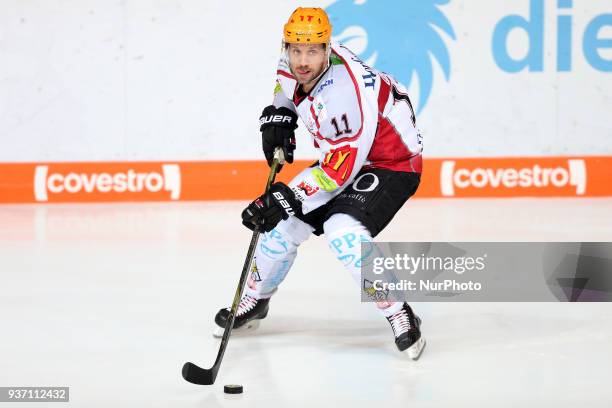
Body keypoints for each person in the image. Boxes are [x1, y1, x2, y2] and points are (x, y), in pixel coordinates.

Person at [215, 7, 425, 359]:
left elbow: (338, 172)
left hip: (390, 163)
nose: (302, 60)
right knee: (280, 230)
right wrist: (280, 113)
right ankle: (255, 300)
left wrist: (286, 198)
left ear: (327, 48)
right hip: (345, 155)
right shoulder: (300, 57)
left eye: (312, 51)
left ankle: (399, 313)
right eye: (295, 49)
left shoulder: (343, 95)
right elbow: (286, 80)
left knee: (343, 232)